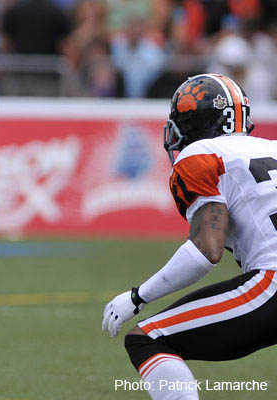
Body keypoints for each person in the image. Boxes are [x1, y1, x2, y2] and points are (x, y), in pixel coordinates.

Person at [101, 73, 277, 400]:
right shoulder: (272, 148)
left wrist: (138, 297)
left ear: (196, 122)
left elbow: (205, 251)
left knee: (148, 338)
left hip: (272, 283)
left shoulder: (202, 155)